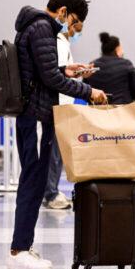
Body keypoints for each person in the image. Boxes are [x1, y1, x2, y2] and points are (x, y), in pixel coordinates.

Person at [9, 0, 106, 269]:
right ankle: (19, 251)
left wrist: (67, 69)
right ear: (63, 11)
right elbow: (49, 78)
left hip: (34, 114)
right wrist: (89, 91)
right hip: (37, 116)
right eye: (73, 19)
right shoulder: (42, 28)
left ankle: (22, 245)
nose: (71, 27)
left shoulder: (36, 26)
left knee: (34, 180)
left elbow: (43, 71)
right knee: (33, 182)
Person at [42, 13, 84, 210]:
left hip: (64, 102)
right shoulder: (58, 42)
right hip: (59, 103)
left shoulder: (64, 43)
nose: (77, 34)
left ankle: (51, 190)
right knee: (54, 153)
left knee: (57, 152)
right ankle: (50, 193)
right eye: (76, 30)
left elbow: (63, 70)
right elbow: (56, 75)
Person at [85, 32, 135, 104]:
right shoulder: (126, 64)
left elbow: (85, 91)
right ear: (117, 49)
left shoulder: (92, 65)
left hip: (97, 111)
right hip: (121, 110)